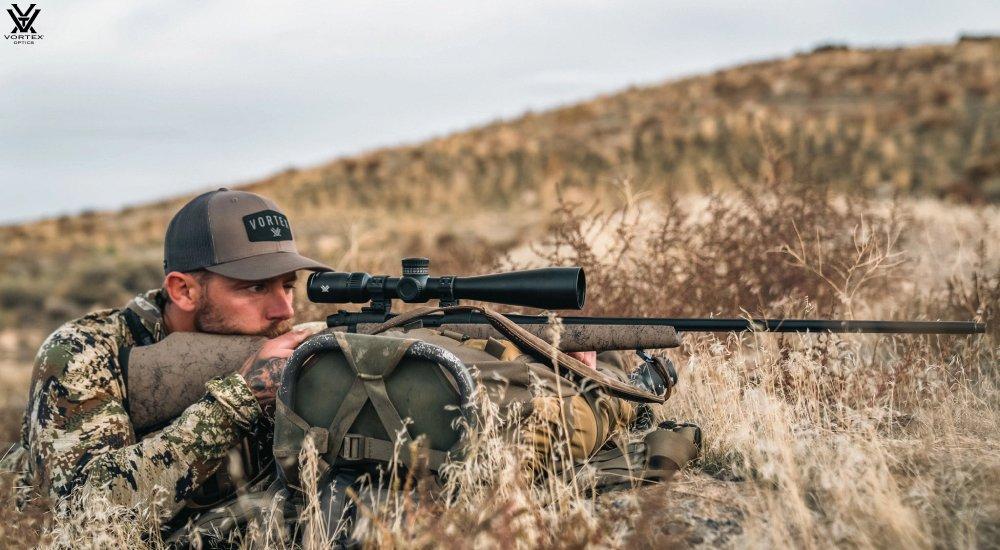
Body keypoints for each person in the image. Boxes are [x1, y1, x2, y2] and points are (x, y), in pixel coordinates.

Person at [6, 188, 333, 518]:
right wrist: (236, 402)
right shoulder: (83, 352)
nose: (284, 310)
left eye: (287, 286)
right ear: (184, 291)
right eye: (256, 287)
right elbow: (89, 513)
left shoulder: (274, 339)